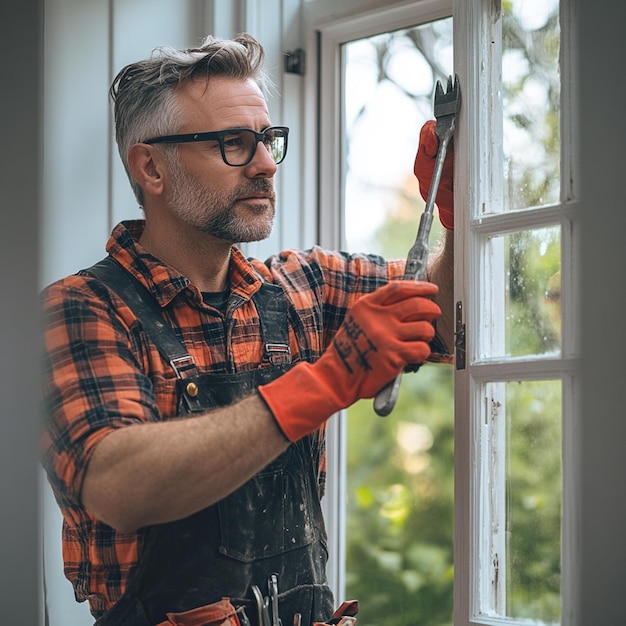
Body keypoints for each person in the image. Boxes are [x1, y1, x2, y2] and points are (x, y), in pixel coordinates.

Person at [40, 32, 455, 626]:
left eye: (267, 140)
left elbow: (442, 310)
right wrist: (327, 382)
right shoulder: (79, 309)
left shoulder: (302, 288)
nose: (264, 164)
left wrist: (456, 207)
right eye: (233, 143)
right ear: (151, 167)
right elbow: (119, 484)